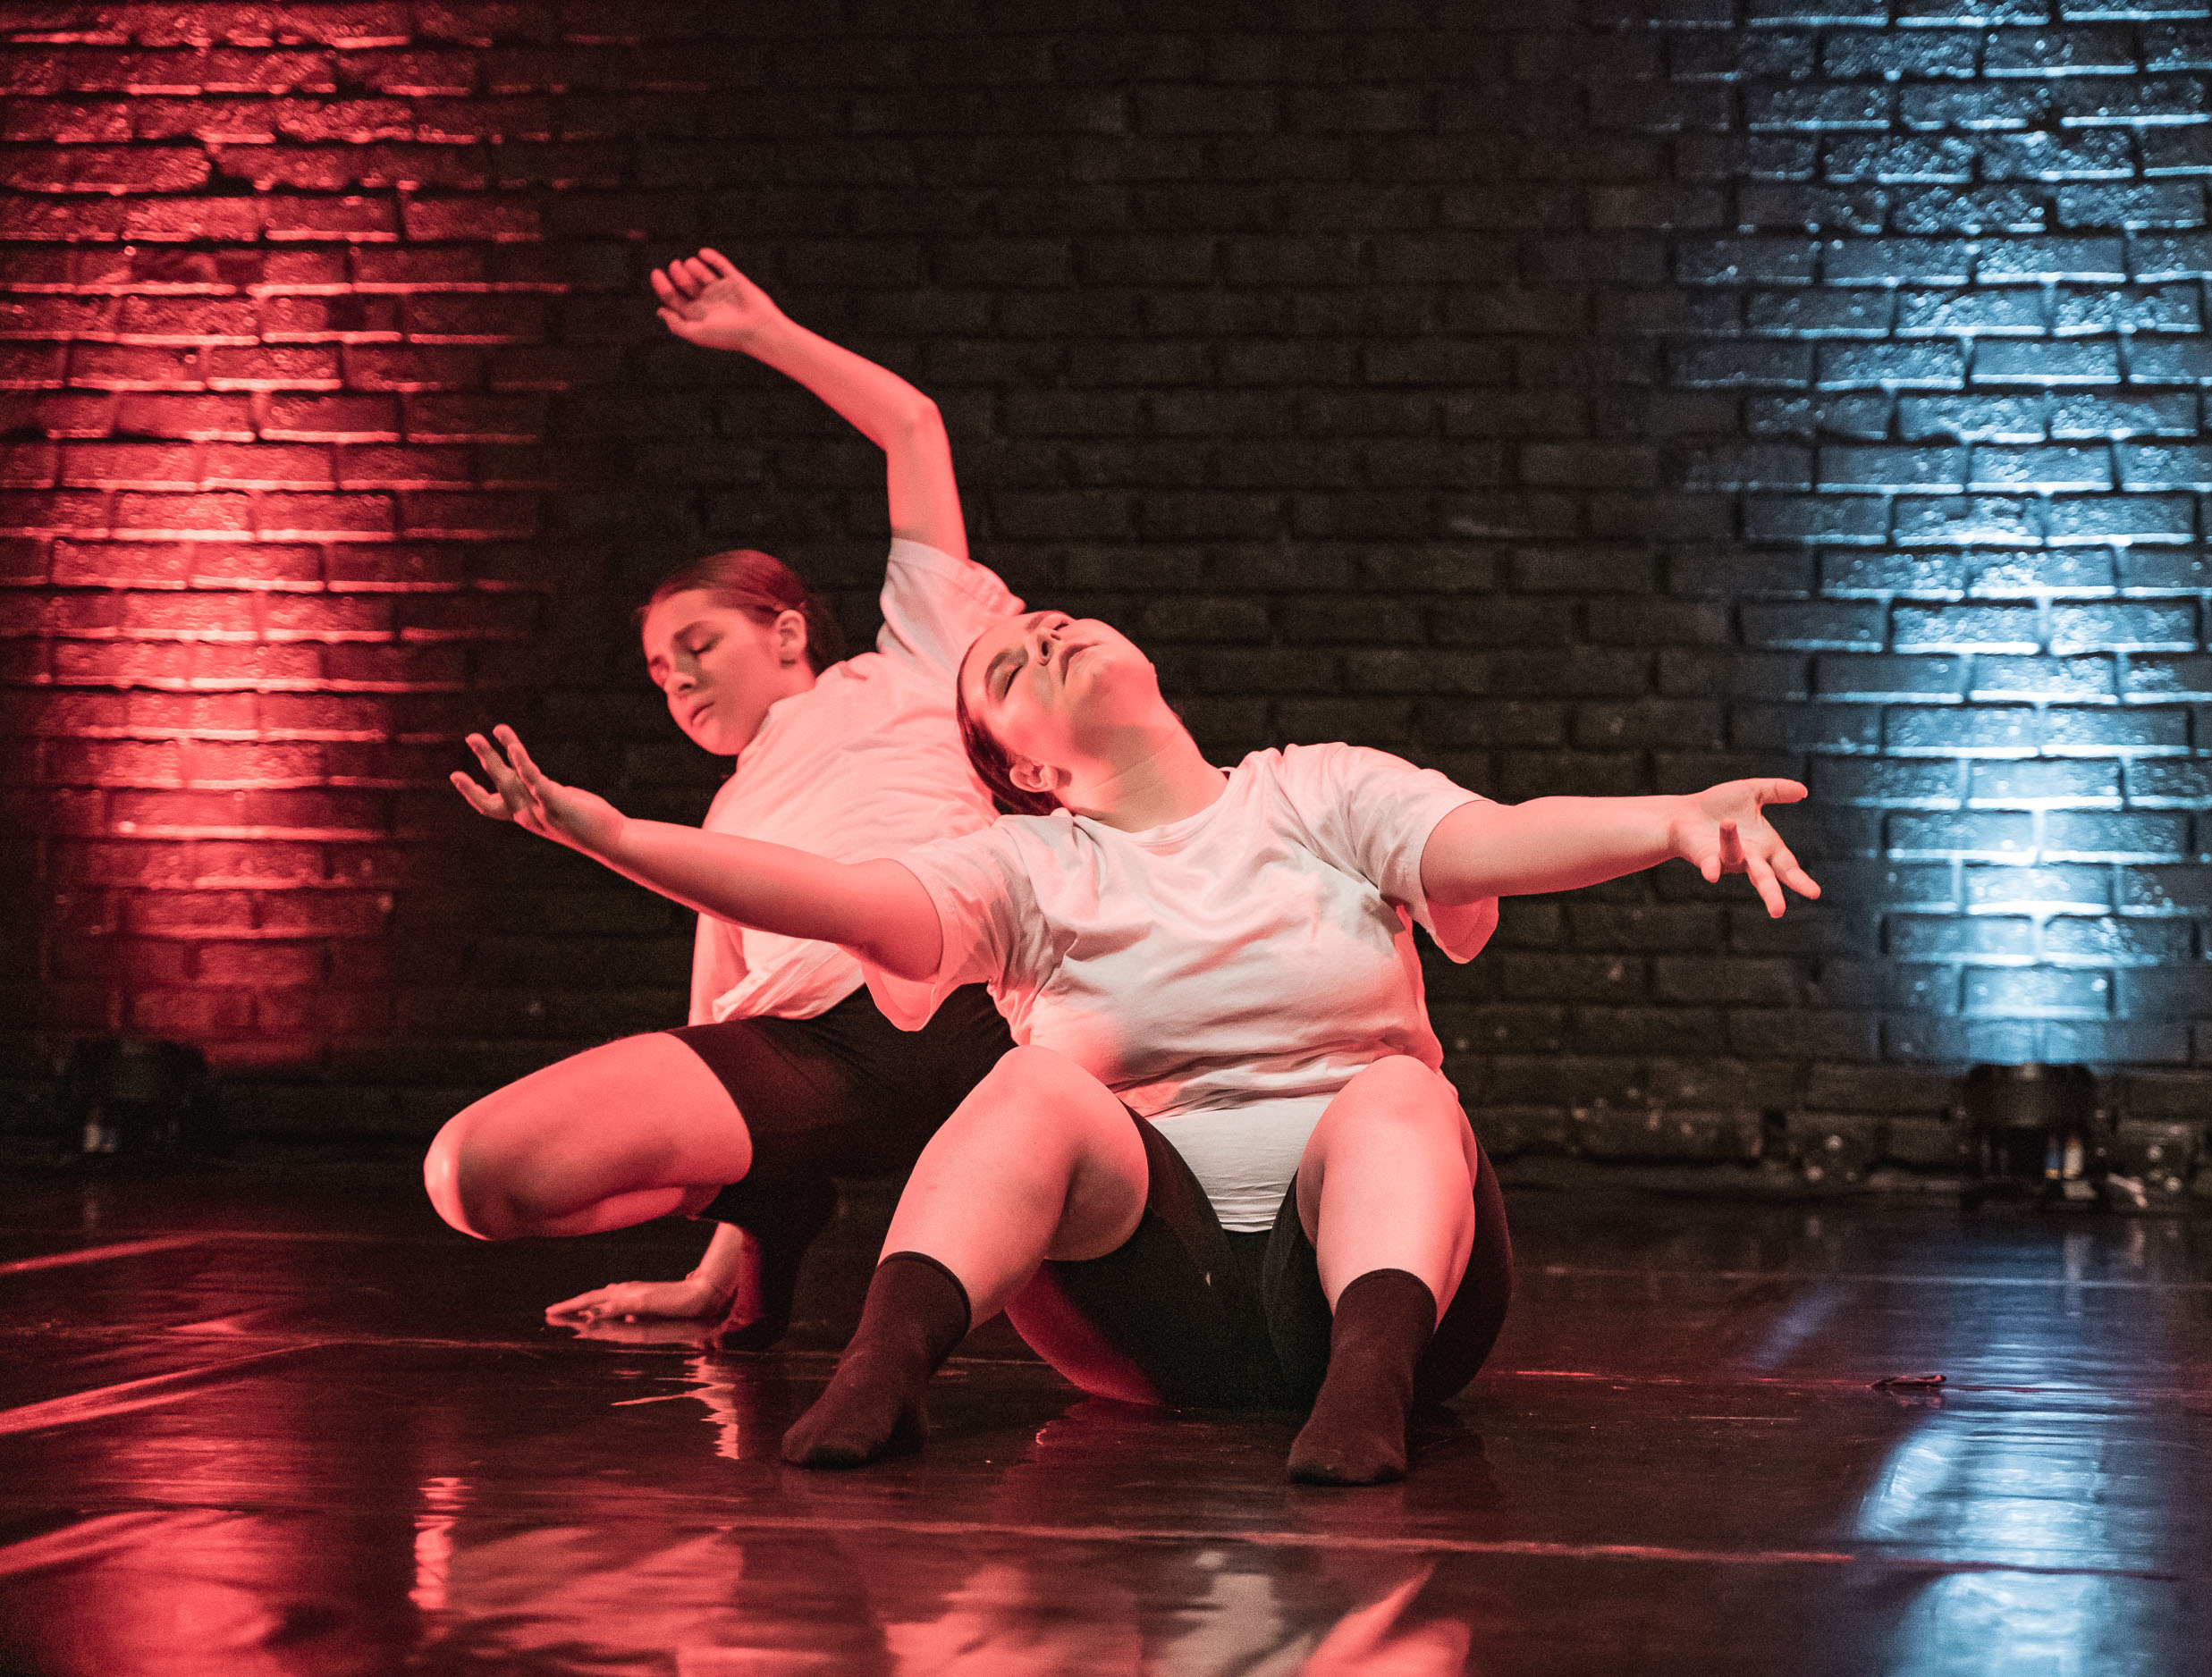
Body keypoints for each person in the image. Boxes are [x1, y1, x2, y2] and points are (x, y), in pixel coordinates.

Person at [453, 609, 1817, 1483]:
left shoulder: (1316, 791)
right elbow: (840, 899)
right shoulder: (1025, 867)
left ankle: (1365, 1390)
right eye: (1007, 665)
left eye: (1057, 624)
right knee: (1030, 1084)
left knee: (1401, 1091)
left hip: (1384, 1291)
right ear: (1027, 769)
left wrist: (1672, 819)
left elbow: (1495, 839)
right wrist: (609, 835)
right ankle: (883, 1371)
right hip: (1150, 1305)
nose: (1041, 635)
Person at [424, 249, 1017, 1348]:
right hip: (823, 1065)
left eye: (698, 645)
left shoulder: (914, 666)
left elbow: (913, 429)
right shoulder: (726, 821)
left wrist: (761, 333)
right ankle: (780, 1210)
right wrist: (715, 1274)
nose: (679, 680)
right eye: (659, 672)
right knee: (479, 1176)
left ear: (785, 631)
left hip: (982, 1016)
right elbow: (716, 1032)